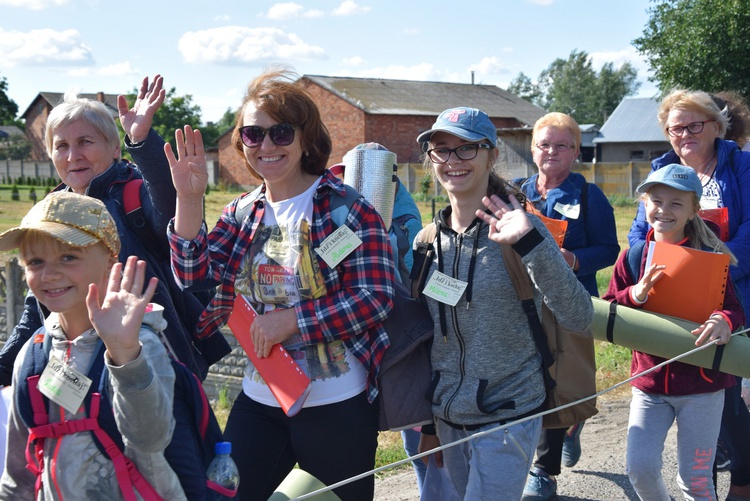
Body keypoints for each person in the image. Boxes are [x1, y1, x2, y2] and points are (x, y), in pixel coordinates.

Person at [166, 68, 396, 501]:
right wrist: (189, 198)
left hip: (337, 404)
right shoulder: (242, 212)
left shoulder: (346, 208)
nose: (267, 146)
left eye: (282, 133)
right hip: (261, 397)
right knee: (228, 494)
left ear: (306, 138)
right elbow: (193, 276)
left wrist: (294, 321)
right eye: (254, 134)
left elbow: (376, 298)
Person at [0, 75, 229, 385]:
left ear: (113, 149)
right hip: (76, 365)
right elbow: (38, 303)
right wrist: (5, 366)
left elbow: (171, 203)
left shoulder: (132, 196)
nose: (72, 155)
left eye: (85, 142)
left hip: (150, 363)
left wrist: (143, 141)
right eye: (61, 146)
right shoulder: (52, 211)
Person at [413, 106, 593, 500]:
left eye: (466, 149)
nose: (452, 161)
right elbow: (430, 343)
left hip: (509, 415)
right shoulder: (427, 242)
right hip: (447, 420)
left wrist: (531, 245)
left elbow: (579, 315)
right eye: (441, 150)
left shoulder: (523, 228)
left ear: (491, 154)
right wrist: (429, 425)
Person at [0, 192, 184, 500]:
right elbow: (18, 472)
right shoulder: (33, 355)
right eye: (35, 261)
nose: (49, 274)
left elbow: (151, 439)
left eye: (68, 257)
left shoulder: (140, 345)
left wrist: (124, 355)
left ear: (110, 261)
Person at [628, 89, 750, 501]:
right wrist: (644, 277)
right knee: (652, 461)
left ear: (716, 126)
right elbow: (634, 245)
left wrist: (714, 268)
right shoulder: (660, 173)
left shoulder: (742, 167)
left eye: (693, 125)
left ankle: (742, 482)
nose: (684, 134)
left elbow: (749, 235)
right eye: (675, 128)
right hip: (659, 336)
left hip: (725, 308)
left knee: (724, 405)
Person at [604, 164, 745, 501]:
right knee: (640, 469)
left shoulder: (712, 257)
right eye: (655, 200)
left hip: (703, 389)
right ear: (643, 203)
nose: (663, 210)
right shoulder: (632, 257)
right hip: (649, 385)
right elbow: (609, 308)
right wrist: (635, 295)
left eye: (675, 203)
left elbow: (735, 311)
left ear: (694, 210)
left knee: (696, 481)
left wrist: (724, 321)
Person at [514, 111, 619, 500]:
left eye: (562, 145)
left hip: (569, 303)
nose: (552, 152)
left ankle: (544, 471)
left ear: (576, 151)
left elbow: (609, 249)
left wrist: (572, 259)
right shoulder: (517, 192)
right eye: (545, 144)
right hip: (522, 302)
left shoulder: (589, 196)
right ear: (533, 149)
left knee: (558, 381)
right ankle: (565, 431)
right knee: (531, 378)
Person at [331, 144, 427, 493]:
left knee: (414, 426)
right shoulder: (340, 211)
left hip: (400, 337)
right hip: (351, 338)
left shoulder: (403, 219)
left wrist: (372, 235)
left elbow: (405, 270)